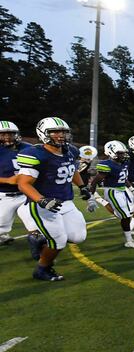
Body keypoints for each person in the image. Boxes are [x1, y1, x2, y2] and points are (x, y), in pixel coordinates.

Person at [16, 117, 92, 281]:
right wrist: (42, 200)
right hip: (43, 204)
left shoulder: (71, 150)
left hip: (66, 201)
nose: (61, 135)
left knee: (78, 237)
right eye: (55, 132)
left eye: (64, 132)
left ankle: (40, 239)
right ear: (43, 134)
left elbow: (72, 170)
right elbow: (23, 184)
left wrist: (82, 186)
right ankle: (42, 269)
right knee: (58, 241)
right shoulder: (36, 154)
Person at [89, 141, 134, 248]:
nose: (123, 155)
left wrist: (132, 189)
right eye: (120, 153)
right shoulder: (107, 165)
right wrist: (91, 198)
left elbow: (124, 178)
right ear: (111, 152)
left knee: (126, 214)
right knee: (125, 215)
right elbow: (94, 182)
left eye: (123, 153)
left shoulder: (124, 163)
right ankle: (129, 241)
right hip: (112, 191)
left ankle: (101, 201)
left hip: (123, 190)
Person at [0, 121, 38, 247]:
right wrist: (7, 180)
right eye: (3, 134)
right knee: (2, 225)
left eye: (10, 134)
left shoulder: (27, 148)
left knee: (33, 220)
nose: (7, 137)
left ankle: (38, 240)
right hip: (4, 195)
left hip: (25, 193)